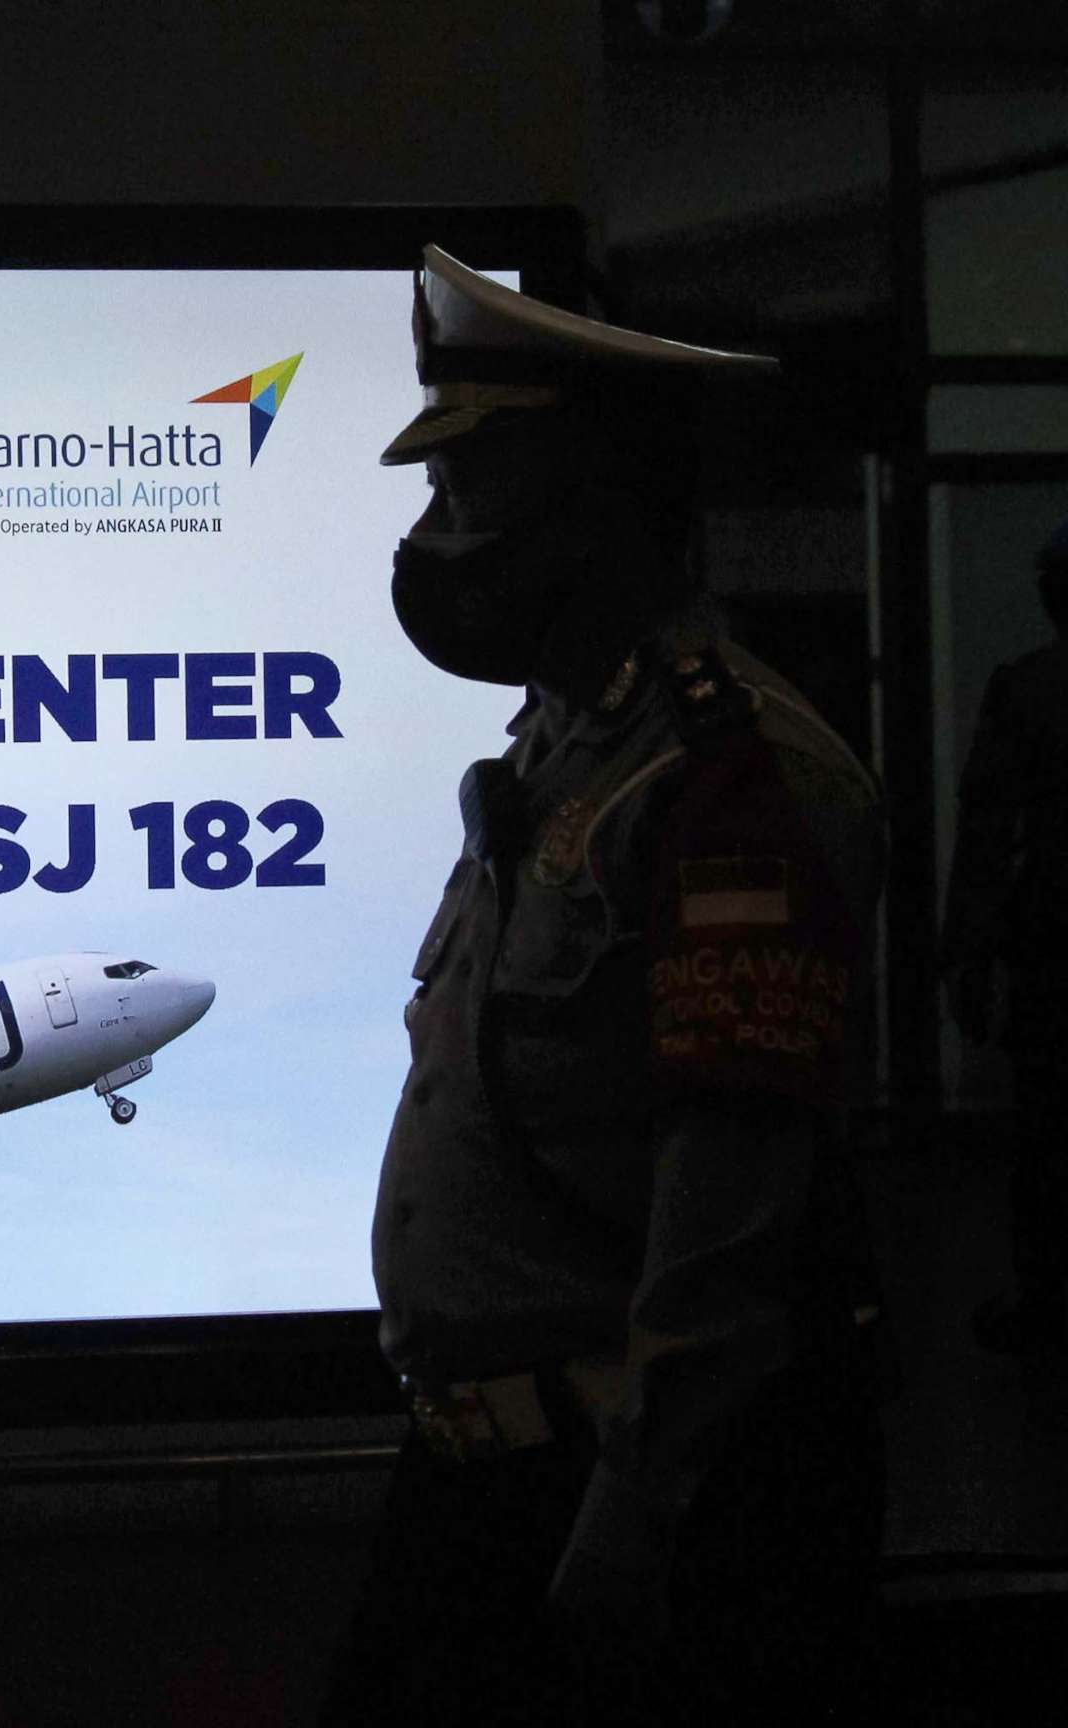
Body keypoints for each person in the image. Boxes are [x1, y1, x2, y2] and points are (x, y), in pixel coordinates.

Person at [319, 247, 886, 1724]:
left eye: (472, 490)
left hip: (625, 1501)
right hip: (490, 1474)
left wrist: (635, 1524)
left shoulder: (726, 781)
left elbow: (732, 1207)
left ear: (595, 499)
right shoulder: (566, 750)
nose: (438, 537)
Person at [945, 518, 1068, 1364]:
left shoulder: (1025, 689)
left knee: (1049, 1139)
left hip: (1053, 947)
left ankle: (1049, 1308)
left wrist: (968, 954)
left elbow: (988, 837)